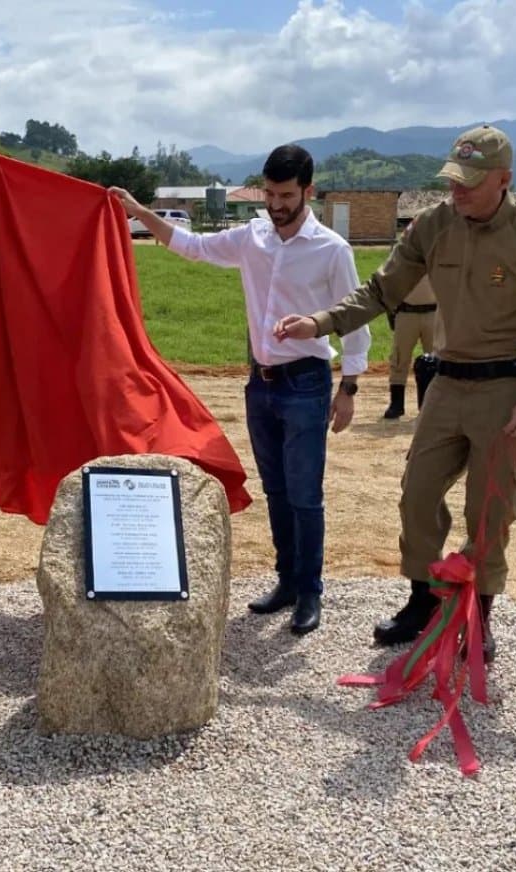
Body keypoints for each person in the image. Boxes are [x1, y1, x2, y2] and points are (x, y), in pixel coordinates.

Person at [274, 126, 516, 660]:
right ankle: (421, 601)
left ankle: (478, 615)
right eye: (452, 180)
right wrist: (322, 321)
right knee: (417, 494)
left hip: (508, 390)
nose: (457, 191)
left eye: (470, 182)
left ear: (504, 180)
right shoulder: (436, 224)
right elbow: (381, 288)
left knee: (490, 508)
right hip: (446, 382)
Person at [110, 145, 371, 636]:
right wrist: (139, 213)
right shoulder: (252, 238)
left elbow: (355, 325)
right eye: (270, 194)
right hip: (262, 383)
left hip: (308, 384)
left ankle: (311, 591)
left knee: (304, 495)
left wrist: (349, 387)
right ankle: (287, 582)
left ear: (308, 192)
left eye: (286, 195)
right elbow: (191, 246)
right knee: (274, 489)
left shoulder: (332, 250)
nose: (276, 205)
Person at [384, 218, 436, 420]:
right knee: (399, 359)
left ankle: (429, 406)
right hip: (406, 313)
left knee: (434, 362)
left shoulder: (439, 251)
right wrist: (390, 310)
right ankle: (397, 404)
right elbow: (389, 282)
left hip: (433, 312)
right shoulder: (400, 255)